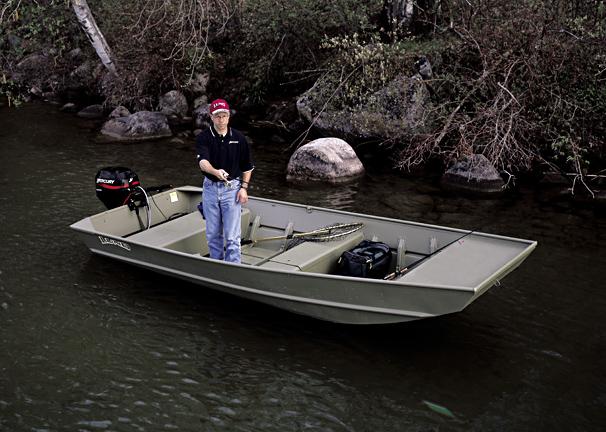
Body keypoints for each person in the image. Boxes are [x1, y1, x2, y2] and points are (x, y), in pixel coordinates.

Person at [195, 98, 254, 263]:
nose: (221, 120)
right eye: (217, 116)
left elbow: (248, 167)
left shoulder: (239, 138)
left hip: (232, 189)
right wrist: (215, 171)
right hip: (210, 189)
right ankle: (217, 264)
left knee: (232, 236)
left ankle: (234, 267)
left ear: (228, 116)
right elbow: (202, 163)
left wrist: (244, 188)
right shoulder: (204, 137)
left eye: (224, 115)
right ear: (211, 117)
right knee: (213, 234)